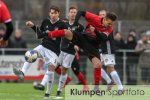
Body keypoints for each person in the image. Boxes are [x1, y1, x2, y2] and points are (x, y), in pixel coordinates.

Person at [37, 10, 117, 94]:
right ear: (105, 19)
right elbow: (81, 12)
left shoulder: (110, 28)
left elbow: (101, 39)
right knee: (66, 32)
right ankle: (45, 34)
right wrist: (76, 22)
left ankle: (96, 88)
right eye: (109, 23)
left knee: (98, 64)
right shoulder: (96, 18)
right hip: (83, 37)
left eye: (111, 24)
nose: (110, 25)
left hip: (93, 46)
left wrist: (96, 31)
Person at [13, 6, 69, 99]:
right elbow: (40, 34)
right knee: (30, 53)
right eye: (51, 13)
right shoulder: (45, 21)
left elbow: (68, 36)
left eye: (55, 13)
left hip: (54, 52)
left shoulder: (62, 24)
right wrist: (33, 26)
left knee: (51, 69)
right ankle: (22, 72)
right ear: (49, 13)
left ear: (58, 13)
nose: (53, 15)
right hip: (43, 47)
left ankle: (47, 92)